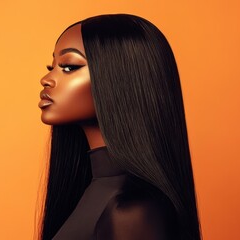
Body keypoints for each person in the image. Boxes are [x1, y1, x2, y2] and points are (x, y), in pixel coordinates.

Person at [37, 13, 201, 240]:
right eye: (51, 65)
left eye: (68, 67)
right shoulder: (91, 192)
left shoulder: (133, 212)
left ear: (120, 79)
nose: (46, 79)